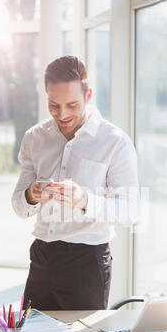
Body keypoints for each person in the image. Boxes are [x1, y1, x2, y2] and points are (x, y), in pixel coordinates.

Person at [12, 56, 139, 310]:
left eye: (72, 105)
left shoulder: (114, 142)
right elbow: (18, 205)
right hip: (42, 256)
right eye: (54, 105)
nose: (63, 114)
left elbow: (130, 211)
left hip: (87, 262)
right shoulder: (34, 138)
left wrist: (84, 200)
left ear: (88, 94)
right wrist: (31, 196)